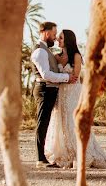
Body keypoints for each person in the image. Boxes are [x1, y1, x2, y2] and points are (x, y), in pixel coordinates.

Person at [45, 29, 106, 168]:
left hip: (73, 93)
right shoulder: (56, 57)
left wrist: (62, 78)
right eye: (58, 38)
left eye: (61, 38)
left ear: (68, 40)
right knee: (61, 122)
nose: (58, 40)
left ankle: (80, 154)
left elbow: (75, 76)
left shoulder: (76, 56)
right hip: (61, 92)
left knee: (73, 122)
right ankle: (64, 155)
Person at [30, 21, 77, 168]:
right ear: (46, 32)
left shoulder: (46, 51)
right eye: (54, 34)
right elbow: (46, 74)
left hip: (50, 90)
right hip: (44, 89)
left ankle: (43, 157)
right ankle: (40, 159)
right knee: (42, 123)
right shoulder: (40, 52)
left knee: (46, 123)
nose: (55, 37)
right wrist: (66, 78)